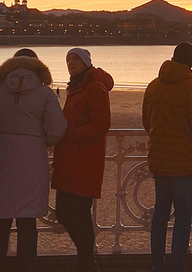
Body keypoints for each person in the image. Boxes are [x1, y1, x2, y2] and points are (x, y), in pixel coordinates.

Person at [0, 51, 67, 272]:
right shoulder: (45, 94)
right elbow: (58, 129)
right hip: (32, 160)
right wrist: (41, 141)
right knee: (28, 222)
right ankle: (27, 266)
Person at [142, 43, 192, 272]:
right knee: (182, 217)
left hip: (159, 161)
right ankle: (178, 266)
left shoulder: (153, 86)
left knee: (160, 215)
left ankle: (157, 264)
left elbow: (146, 121)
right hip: (185, 165)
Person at [51, 48, 113, 272]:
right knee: (64, 212)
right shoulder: (75, 88)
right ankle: (86, 259)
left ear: (87, 62)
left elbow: (101, 124)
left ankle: (86, 261)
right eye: (68, 59)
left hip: (84, 162)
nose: (71, 62)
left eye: (75, 59)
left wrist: (71, 135)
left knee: (77, 214)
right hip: (69, 162)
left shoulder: (95, 88)